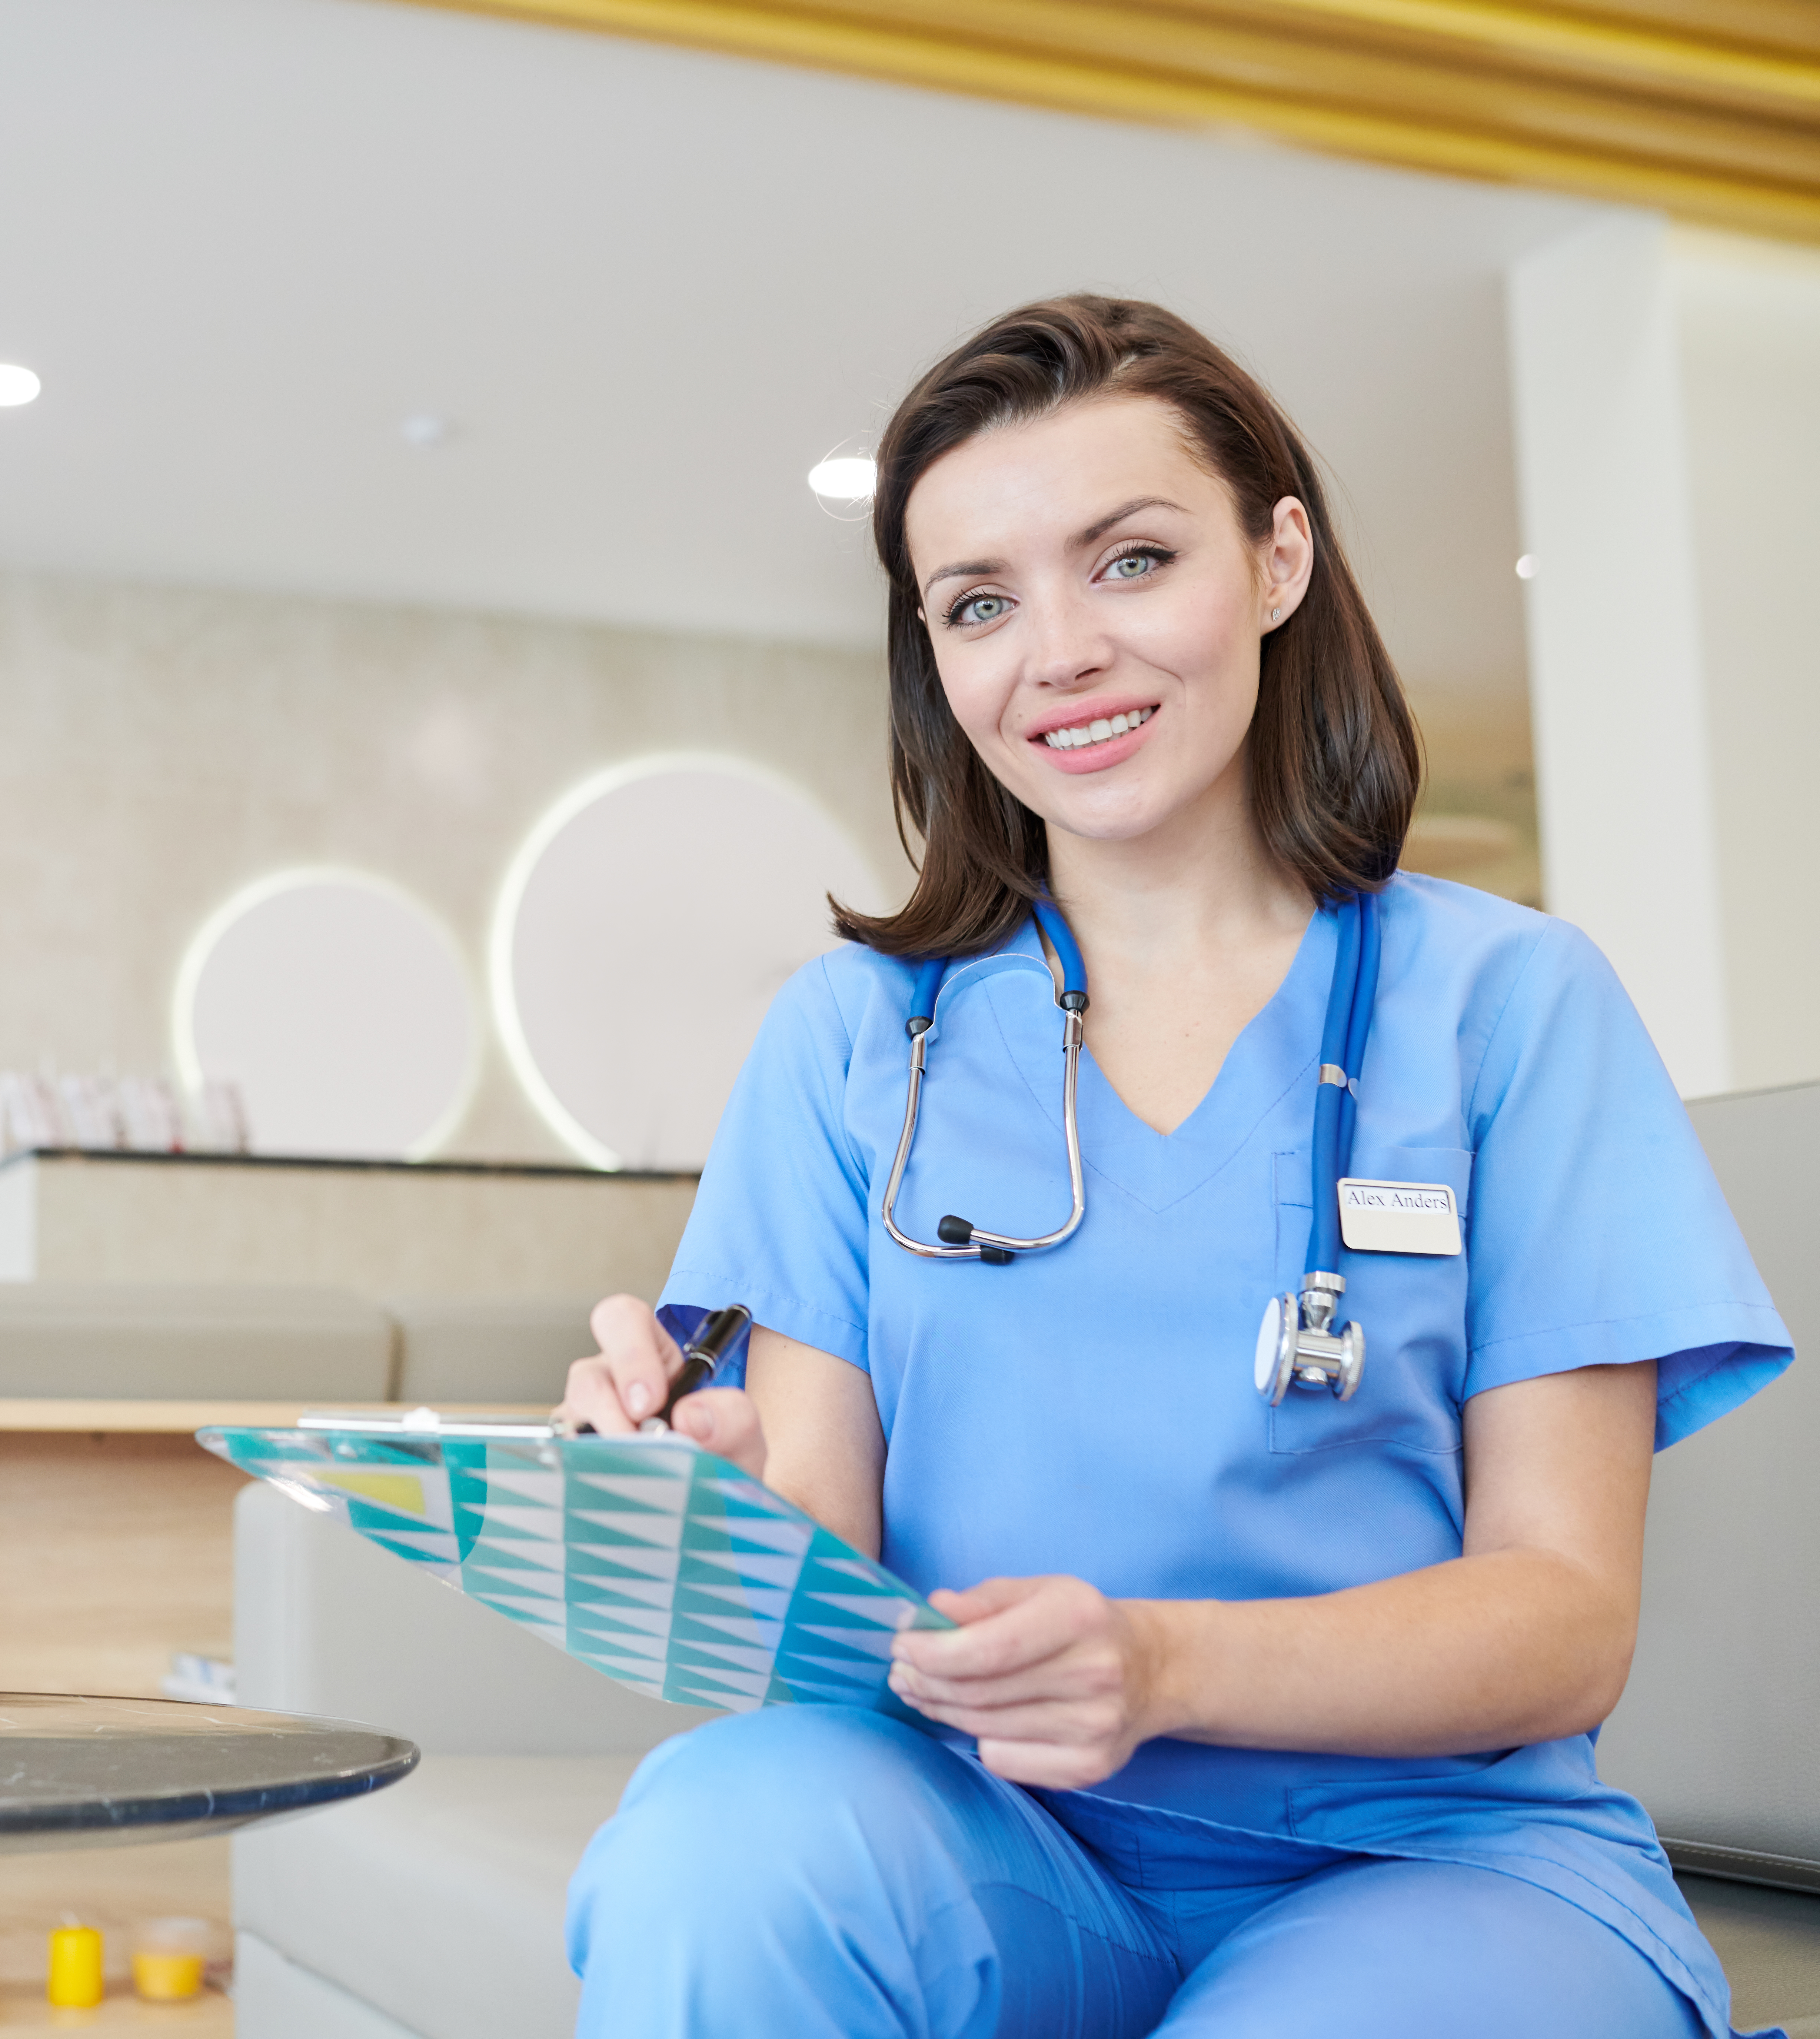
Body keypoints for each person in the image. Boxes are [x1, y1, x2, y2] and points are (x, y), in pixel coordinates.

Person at [556, 295, 1791, 2038]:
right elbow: (815, 1581)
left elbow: (1566, 1615)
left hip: (1428, 1858)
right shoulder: (854, 1036)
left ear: (1278, 557)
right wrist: (698, 1499)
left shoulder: (1509, 1004)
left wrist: (1163, 1662)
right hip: (981, 1829)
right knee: (714, 1846)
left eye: (1129, 560)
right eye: (980, 603)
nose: (1056, 650)